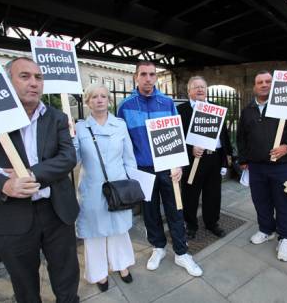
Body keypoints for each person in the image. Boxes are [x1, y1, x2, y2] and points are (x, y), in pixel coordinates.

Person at [0, 57, 80, 303]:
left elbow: (68, 157)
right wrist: (4, 185)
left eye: (38, 77)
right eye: (24, 76)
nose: (34, 83)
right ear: (7, 82)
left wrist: (31, 174)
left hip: (57, 212)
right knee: (24, 284)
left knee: (67, 275)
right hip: (11, 216)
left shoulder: (55, 117)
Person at [117, 61, 202, 277]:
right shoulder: (125, 106)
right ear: (136, 76)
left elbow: (176, 135)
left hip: (167, 166)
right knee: (150, 212)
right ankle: (158, 248)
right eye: (143, 74)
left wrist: (179, 164)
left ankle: (182, 253)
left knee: (175, 208)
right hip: (142, 169)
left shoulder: (166, 102)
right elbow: (121, 140)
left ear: (156, 77)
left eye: (152, 74)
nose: (148, 78)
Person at [237, 70, 287, 262]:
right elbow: (242, 137)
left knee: (282, 202)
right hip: (256, 166)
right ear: (254, 86)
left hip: (281, 166)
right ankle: (266, 229)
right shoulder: (247, 111)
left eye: (268, 81)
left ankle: (286, 237)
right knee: (260, 200)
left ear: (274, 85)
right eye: (259, 82)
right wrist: (243, 159)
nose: (263, 85)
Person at [74, 84, 136, 292]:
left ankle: (122, 265)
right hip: (92, 189)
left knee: (119, 230)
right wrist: (68, 137)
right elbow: (72, 159)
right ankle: (99, 273)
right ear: (87, 101)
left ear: (109, 100)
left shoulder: (120, 125)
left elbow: (129, 157)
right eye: (94, 97)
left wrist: (131, 182)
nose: (99, 100)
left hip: (118, 186)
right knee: (95, 233)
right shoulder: (80, 128)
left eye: (103, 96)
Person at [177, 76, 232, 240]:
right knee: (190, 195)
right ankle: (191, 226)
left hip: (213, 159)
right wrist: (190, 149)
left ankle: (212, 223)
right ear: (189, 91)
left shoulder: (216, 109)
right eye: (196, 87)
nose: (200, 89)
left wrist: (226, 159)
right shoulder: (181, 110)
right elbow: (177, 138)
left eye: (202, 87)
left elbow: (224, 136)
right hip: (193, 160)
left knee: (213, 194)